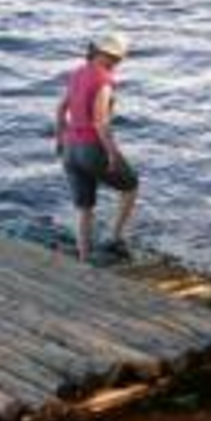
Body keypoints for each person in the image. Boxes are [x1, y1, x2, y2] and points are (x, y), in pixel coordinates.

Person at [54, 31, 140, 262]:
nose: (119, 63)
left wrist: (59, 139)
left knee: (85, 209)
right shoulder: (104, 80)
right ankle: (116, 238)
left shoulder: (76, 73)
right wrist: (111, 153)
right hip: (91, 148)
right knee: (130, 186)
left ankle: (83, 259)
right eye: (118, 58)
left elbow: (61, 109)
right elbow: (100, 121)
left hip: (70, 148)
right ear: (110, 56)